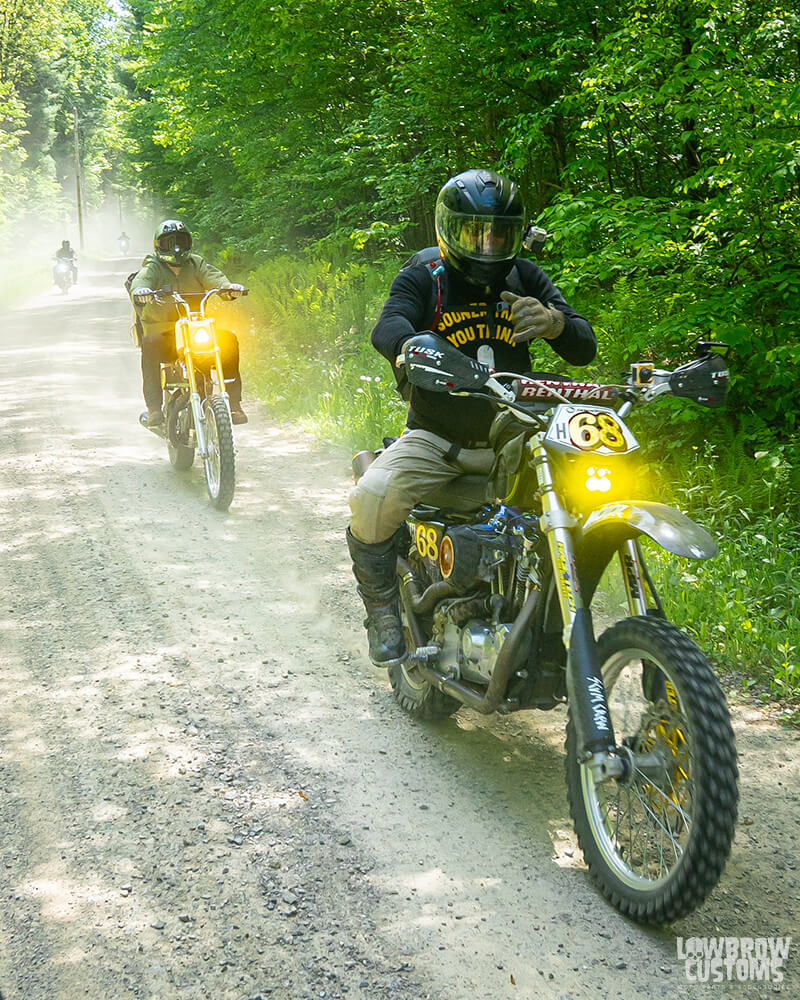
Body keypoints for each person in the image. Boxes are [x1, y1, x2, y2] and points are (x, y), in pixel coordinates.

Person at [346, 168, 597, 667]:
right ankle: (381, 610)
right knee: (371, 497)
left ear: (516, 234)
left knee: (577, 501)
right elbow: (389, 324)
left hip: (515, 436)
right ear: (446, 230)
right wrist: (411, 345)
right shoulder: (425, 274)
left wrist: (554, 322)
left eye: (499, 234)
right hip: (437, 436)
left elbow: (583, 346)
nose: (486, 246)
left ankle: (553, 616)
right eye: (472, 233)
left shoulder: (525, 276)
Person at [128, 219, 248, 427]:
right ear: (158, 245)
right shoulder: (153, 267)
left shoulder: (195, 263)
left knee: (228, 340)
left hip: (195, 328)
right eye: (169, 243)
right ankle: (154, 408)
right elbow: (141, 280)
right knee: (150, 345)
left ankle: (234, 404)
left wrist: (228, 288)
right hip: (165, 334)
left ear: (189, 243)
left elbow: (214, 278)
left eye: (181, 241)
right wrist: (140, 291)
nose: (176, 248)